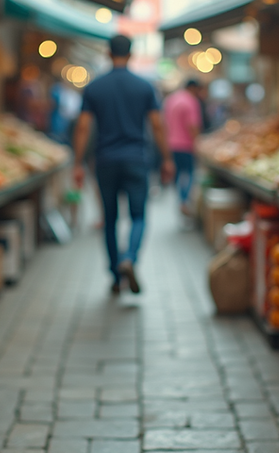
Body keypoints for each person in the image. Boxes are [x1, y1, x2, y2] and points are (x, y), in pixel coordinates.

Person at [73, 35, 174, 294]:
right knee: (138, 216)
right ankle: (129, 257)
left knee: (109, 219)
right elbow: (157, 125)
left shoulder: (95, 87)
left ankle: (115, 274)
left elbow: (83, 127)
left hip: (105, 160)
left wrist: (77, 163)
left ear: (108, 53)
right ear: (130, 54)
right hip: (136, 159)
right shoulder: (144, 86)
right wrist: (166, 158)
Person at [163, 79, 204, 215]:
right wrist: (198, 143)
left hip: (171, 144)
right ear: (193, 88)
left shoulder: (171, 99)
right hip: (186, 145)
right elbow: (192, 125)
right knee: (189, 174)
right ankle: (184, 201)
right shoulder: (191, 101)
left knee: (178, 174)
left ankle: (181, 199)